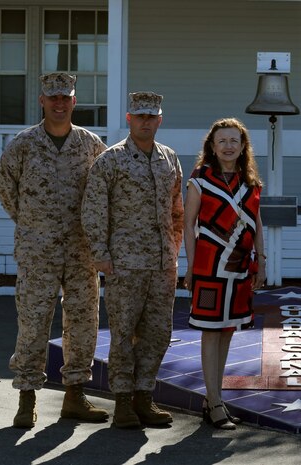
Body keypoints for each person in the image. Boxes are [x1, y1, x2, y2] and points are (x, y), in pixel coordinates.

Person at [0, 73, 109, 429]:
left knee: (83, 323)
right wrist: (30, 222)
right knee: (33, 323)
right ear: (42, 101)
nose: (59, 103)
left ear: (74, 102)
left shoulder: (91, 145)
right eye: (52, 97)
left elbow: (103, 191)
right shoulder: (24, 144)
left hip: (80, 250)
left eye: (65, 97)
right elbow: (3, 184)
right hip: (37, 251)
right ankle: (27, 398)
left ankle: (74, 396)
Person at [81, 92, 184, 429]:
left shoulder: (169, 159)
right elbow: (94, 209)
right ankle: (123, 401)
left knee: (159, 333)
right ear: (129, 119)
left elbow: (177, 210)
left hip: (162, 264)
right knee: (123, 334)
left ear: (159, 120)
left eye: (151, 116)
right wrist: (101, 254)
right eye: (140, 116)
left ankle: (144, 396)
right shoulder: (110, 160)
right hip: (124, 263)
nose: (145, 122)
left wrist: (174, 249)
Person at [182, 118, 265, 430]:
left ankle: (214, 399)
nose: (228, 146)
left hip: (239, 269)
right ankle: (215, 402)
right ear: (212, 147)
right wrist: (190, 266)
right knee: (211, 331)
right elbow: (188, 225)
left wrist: (262, 261)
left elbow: (257, 223)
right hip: (209, 269)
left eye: (234, 141)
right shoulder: (200, 180)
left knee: (228, 330)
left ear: (243, 147)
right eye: (222, 141)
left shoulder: (250, 182)